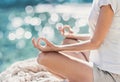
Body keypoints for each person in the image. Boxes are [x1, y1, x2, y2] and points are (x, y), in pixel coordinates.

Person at [32, 0, 120, 81]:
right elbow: (102, 36)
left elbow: (96, 43)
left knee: (44, 58)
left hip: (111, 75)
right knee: (69, 41)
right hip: (99, 65)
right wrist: (73, 35)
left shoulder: (108, 1)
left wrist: (56, 48)